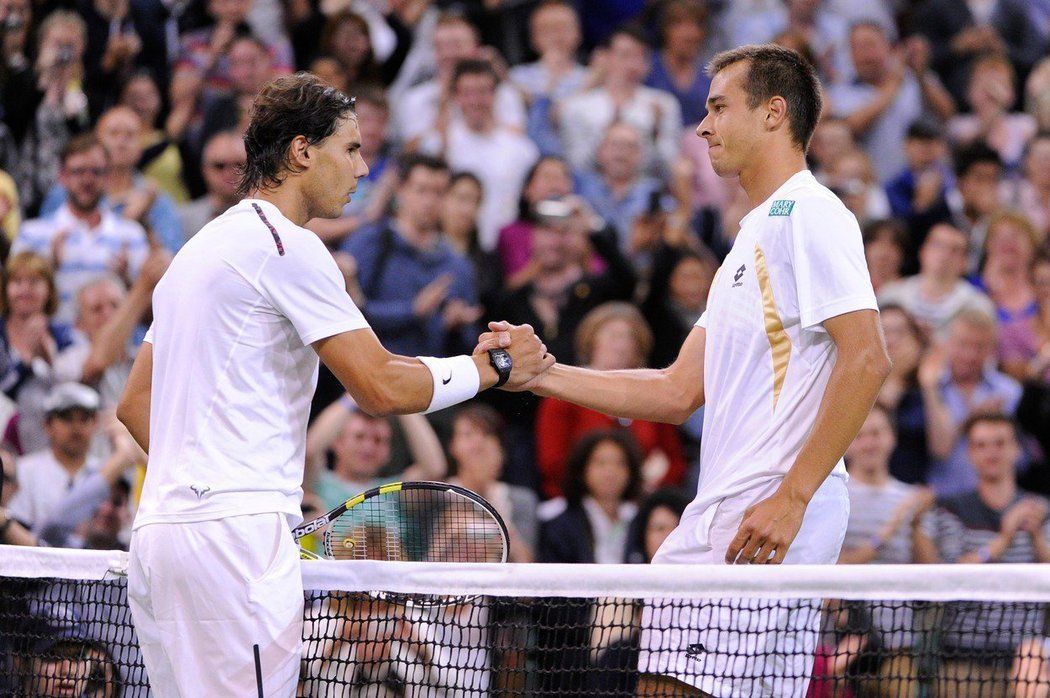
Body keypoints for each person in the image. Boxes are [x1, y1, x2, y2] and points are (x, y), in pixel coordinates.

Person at [117, 73, 552, 697]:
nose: (364, 167)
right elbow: (378, 385)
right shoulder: (285, 244)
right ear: (301, 152)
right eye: (350, 149)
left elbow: (135, 407)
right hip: (233, 542)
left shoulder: (197, 251)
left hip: (160, 540)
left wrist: (210, 485)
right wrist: (492, 370)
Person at [478, 44, 890, 697]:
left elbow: (867, 357)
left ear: (774, 113)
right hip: (740, 502)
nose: (703, 126)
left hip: (771, 500)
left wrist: (793, 495)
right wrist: (544, 373)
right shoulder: (750, 239)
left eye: (720, 106)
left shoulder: (809, 213)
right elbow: (676, 390)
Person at [914, 413, 1050, 696]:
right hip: (963, 658)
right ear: (970, 454)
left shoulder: (1041, 510)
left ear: (1017, 449)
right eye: (981, 445)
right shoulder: (950, 509)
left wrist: (1037, 537)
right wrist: (1002, 541)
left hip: (1026, 657)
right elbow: (948, 575)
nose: (991, 452)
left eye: (1000, 443)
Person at [13, 134, 148, 323]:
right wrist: (49, 269)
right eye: (78, 171)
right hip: (55, 346)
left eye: (96, 172)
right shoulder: (32, 234)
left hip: (116, 346)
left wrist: (127, 281)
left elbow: (150, 312)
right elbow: (14, 307)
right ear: (62, 176)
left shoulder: (131, 234)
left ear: (108, 177)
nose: (87, 180)